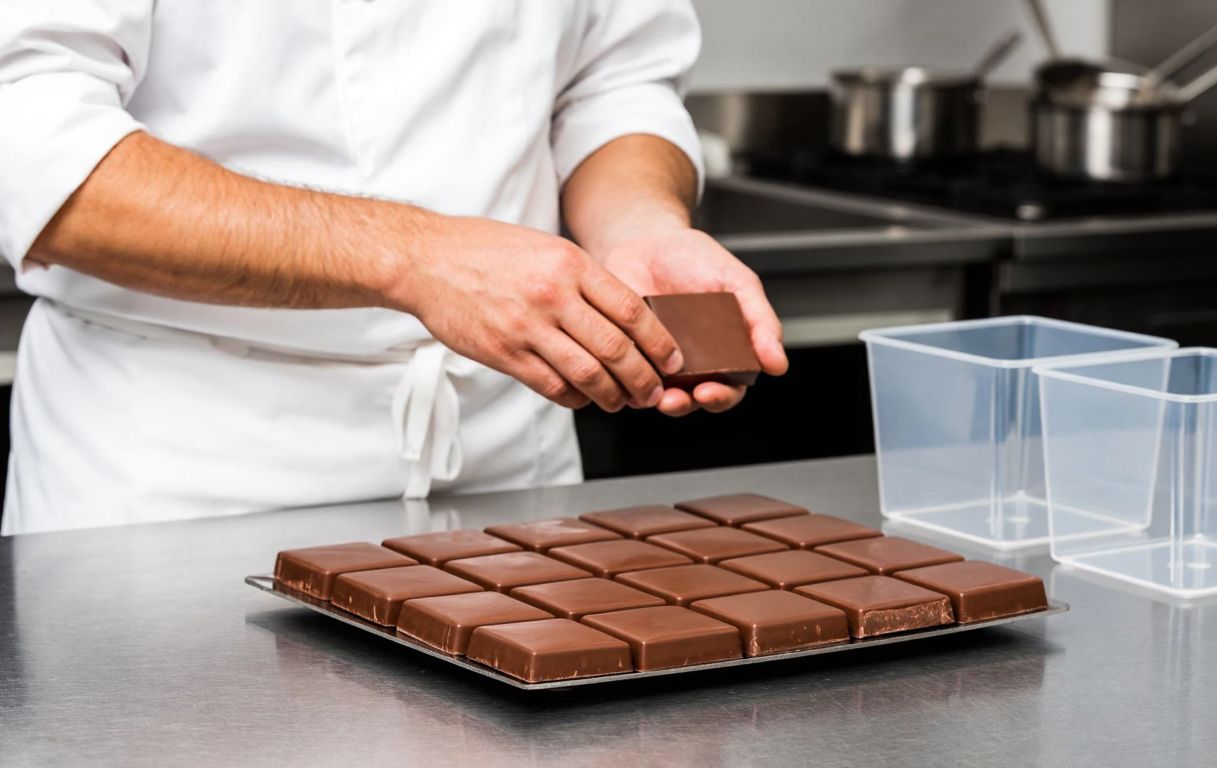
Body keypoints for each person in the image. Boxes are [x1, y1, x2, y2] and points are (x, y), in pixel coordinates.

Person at [0, 2, 787, 535]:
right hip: (186, 478)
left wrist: (636, 224)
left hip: (509, 457)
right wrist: (416, 259)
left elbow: (614, 84)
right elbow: (30, 141)